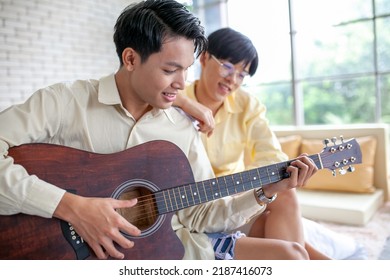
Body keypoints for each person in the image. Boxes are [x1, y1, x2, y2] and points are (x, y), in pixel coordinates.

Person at [0, 1, 318, 260]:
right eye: (170, 70)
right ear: (130, 58)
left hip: (171, 252)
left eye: (186, 70)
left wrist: (265, 191)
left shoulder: (181, 128)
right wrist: (72, 207)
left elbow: (200, 216)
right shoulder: (66, 102)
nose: (182, 84)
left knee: (292, 259)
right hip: (65, 253)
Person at [174, 27, 332, 259]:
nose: (233, 79)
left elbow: (271, 155)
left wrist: (284, 175)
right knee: (277, 233)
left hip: (235, 199)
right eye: (227, 66)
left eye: (242, 74)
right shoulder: (176, 97)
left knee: (285, 194)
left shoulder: (247, 105)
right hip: (197, 207)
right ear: (204, 57)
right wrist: (187, 104)